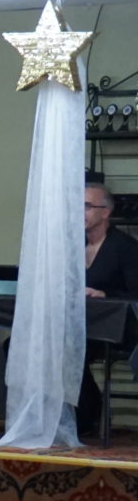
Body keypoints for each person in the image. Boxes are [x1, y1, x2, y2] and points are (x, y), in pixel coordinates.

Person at [80, 175, 138, 435]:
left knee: (71, 349)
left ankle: (89, 413)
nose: (79, 213)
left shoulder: (125, 248)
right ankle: (84, 411)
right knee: (18, 344)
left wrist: (105, 294)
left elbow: (135, 294)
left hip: (115, 327)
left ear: (106, 212)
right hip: (81, 324)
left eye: (87, 206)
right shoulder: (71, 246)